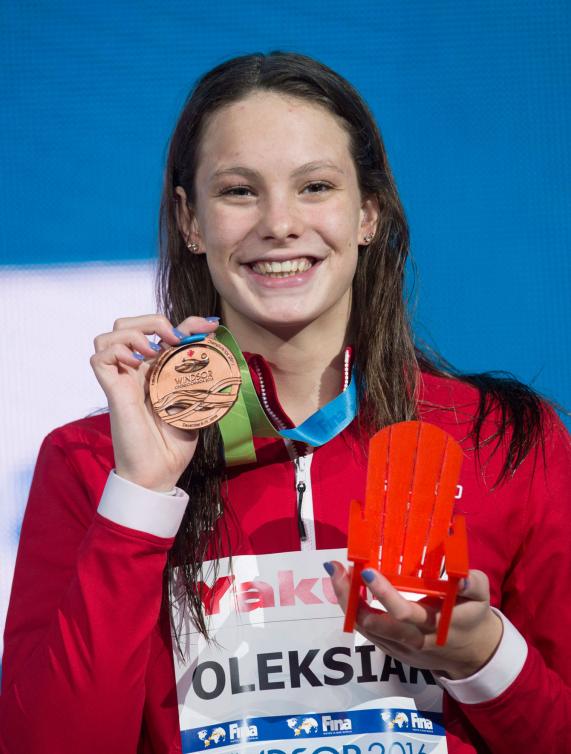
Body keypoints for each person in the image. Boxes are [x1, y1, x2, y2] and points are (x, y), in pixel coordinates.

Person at [1, 51, 570, 754]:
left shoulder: (500, 441)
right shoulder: (93, 463)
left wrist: (482, 660)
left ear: (367, 211)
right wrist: (143, 493)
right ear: (191, 221)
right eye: (239, 191)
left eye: (315, 187)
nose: (279, 223)